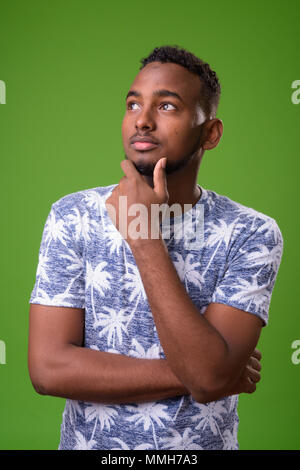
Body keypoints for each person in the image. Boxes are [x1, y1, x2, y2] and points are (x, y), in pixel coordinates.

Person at [28, 45, 283, 450]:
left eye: (167, 107)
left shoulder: (250, 232)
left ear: (210, 133)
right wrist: (209, 371)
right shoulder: (72, 215)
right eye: (133, 105)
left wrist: (145, 239)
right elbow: (48, 369)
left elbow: (209, 378)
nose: (142, 121)